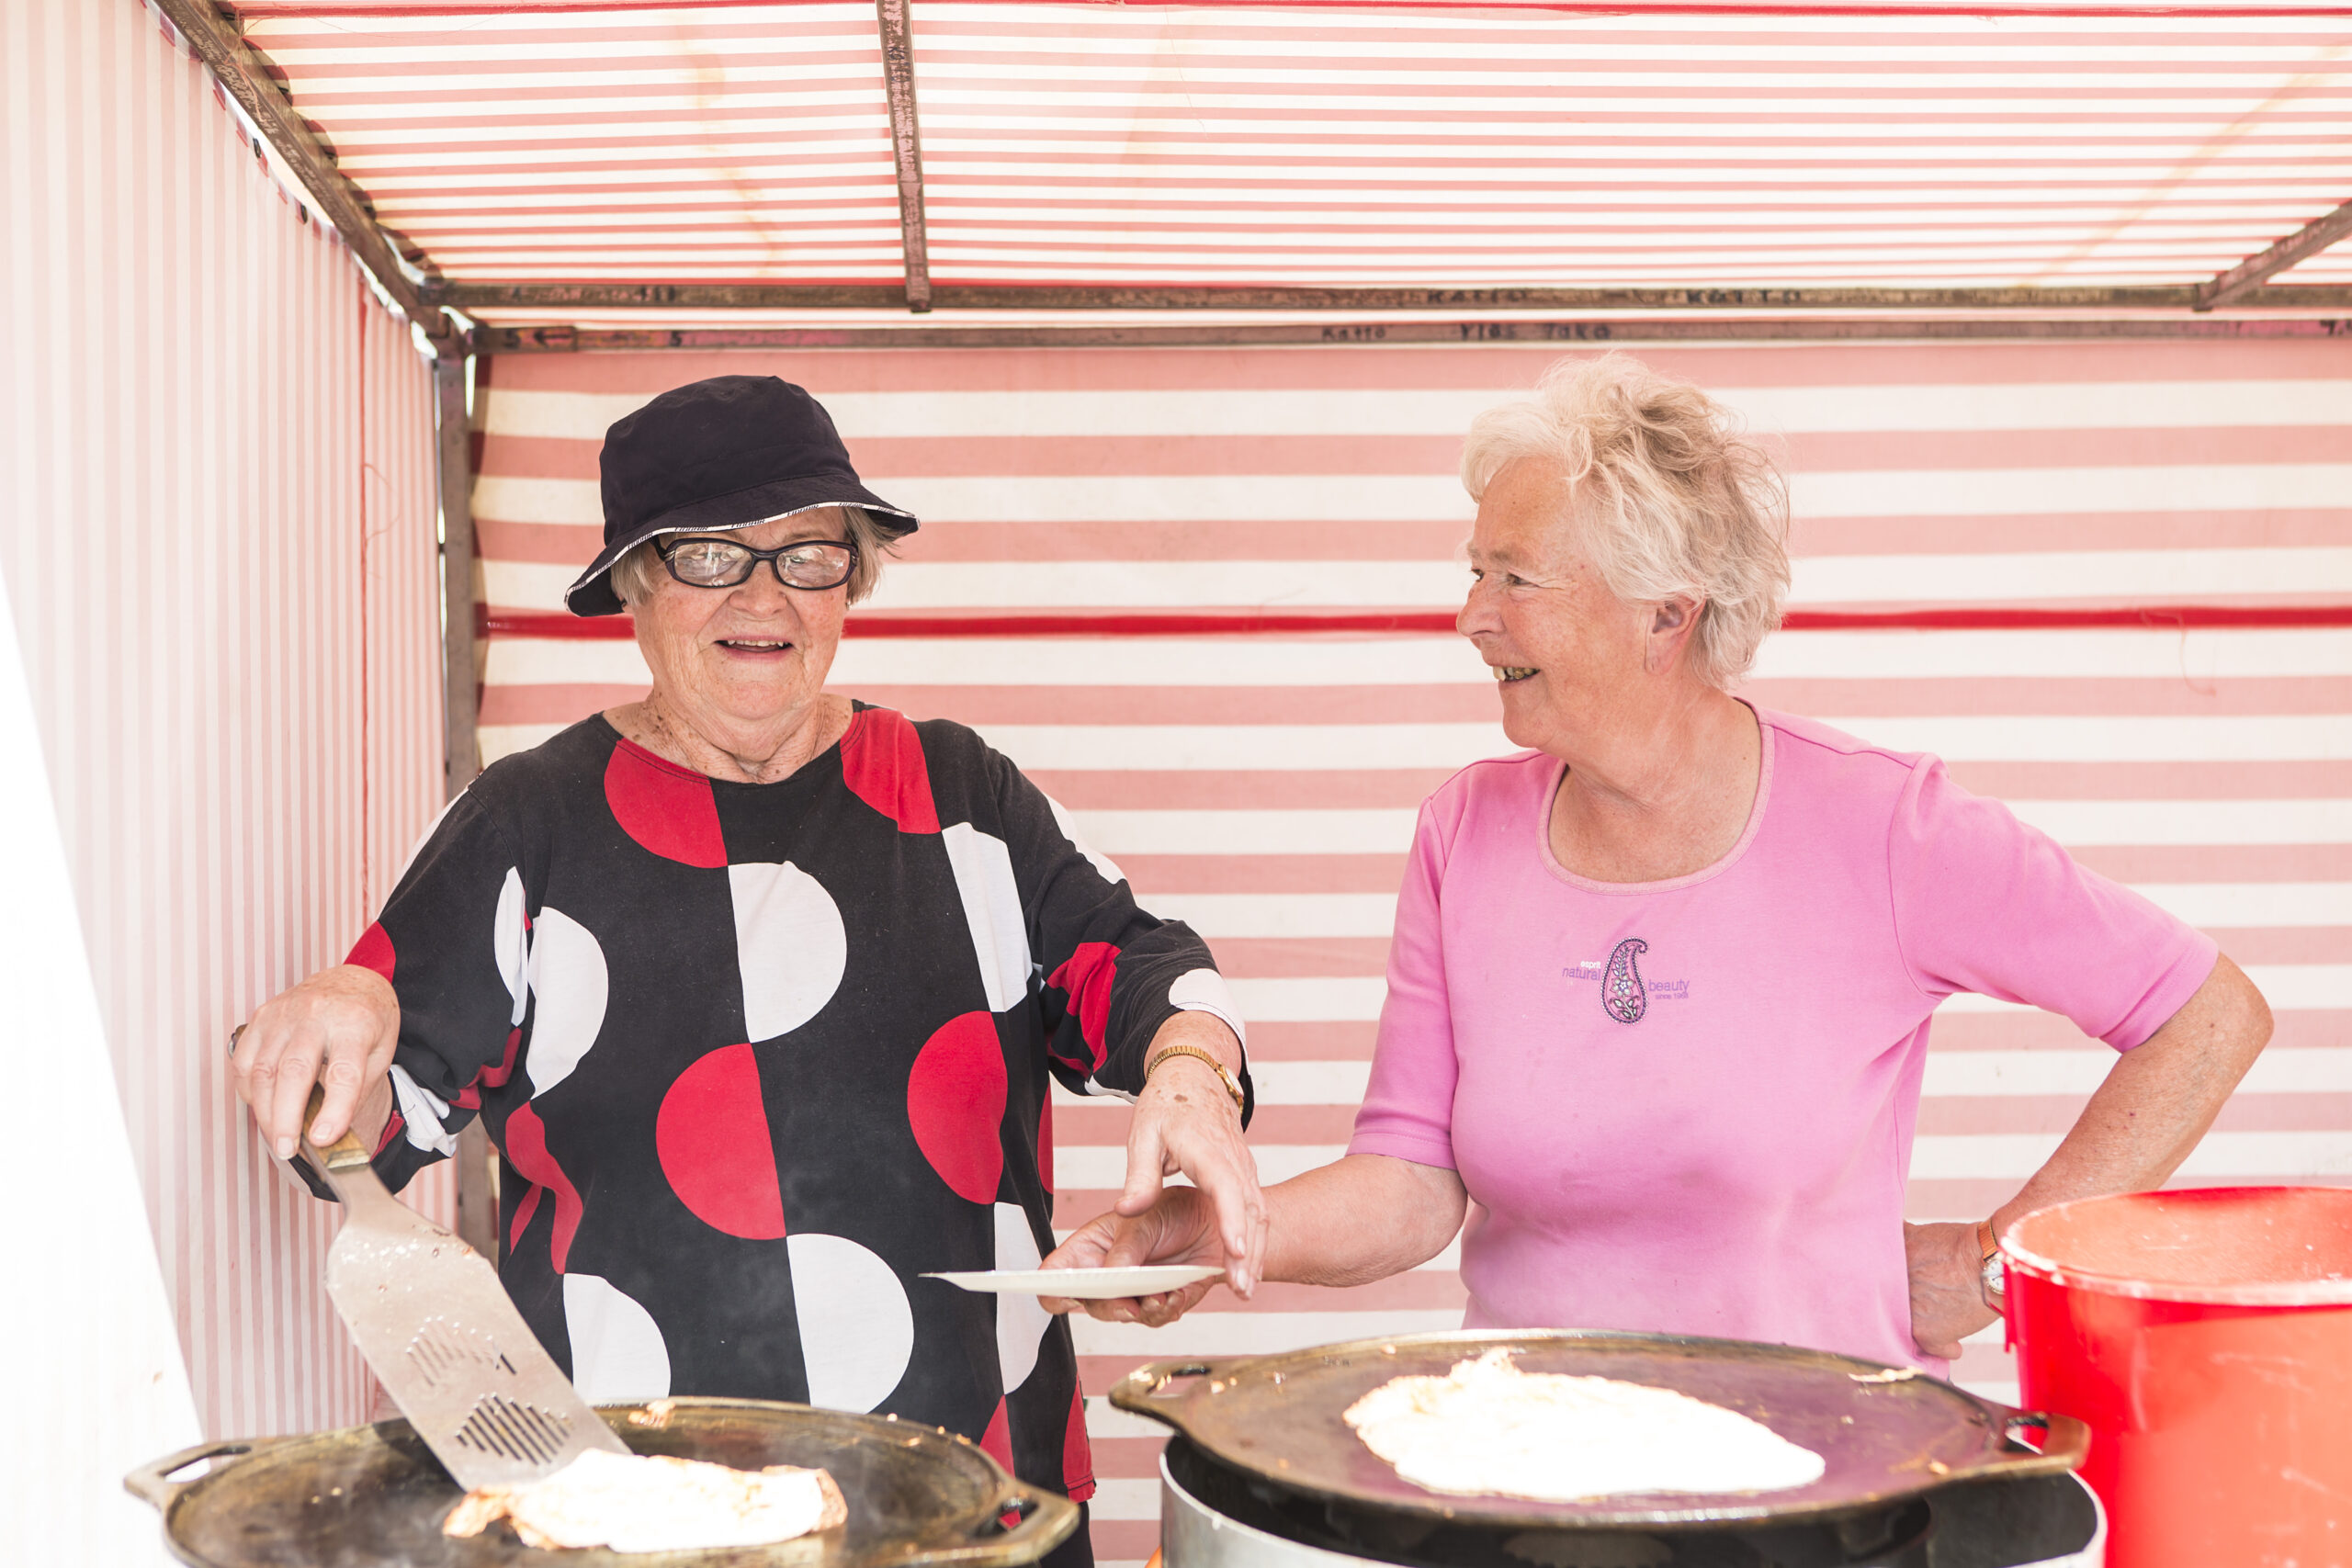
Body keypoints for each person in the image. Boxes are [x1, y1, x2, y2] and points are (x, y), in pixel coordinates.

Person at [1046, 353, 2272, 1374]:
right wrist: (1201, 1234)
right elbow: (1412, 1182)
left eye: (1513, 578)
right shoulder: (1462, 833)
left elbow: (2205, 1015)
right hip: (1532, 1482)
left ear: (1664, 613)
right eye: (1476, 571)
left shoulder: (1884, 827)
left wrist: (1994, 1261)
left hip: (1817, 1489)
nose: (1470, 615)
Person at [232, 375, 1265, 1564]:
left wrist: (1190, 1078)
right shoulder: (531, 825)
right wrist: (345, 1003)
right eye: (713, 556)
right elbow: (355, 1134)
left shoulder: (960, 796)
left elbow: (1141, 968)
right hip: (631, 1517)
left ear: (854, 574)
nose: (765, 593)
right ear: (633, 580)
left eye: (809, 553)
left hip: (978, 1507)